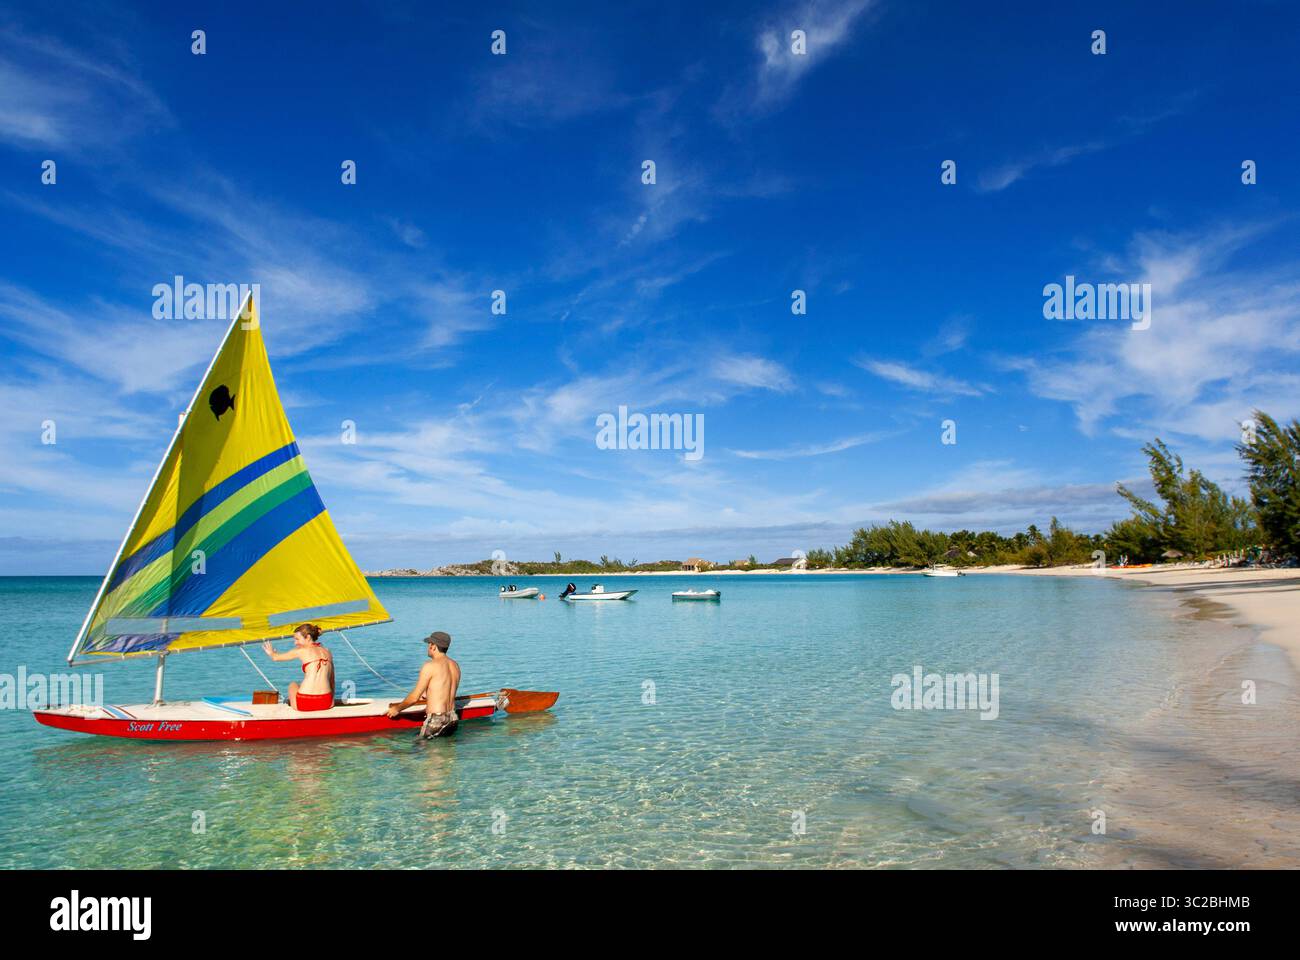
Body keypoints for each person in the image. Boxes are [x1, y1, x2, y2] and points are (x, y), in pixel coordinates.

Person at [385, 631, 462, 738]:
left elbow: (414, 698)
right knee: (447, 753)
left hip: (436, 720)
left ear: (433, 646)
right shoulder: (455, 665)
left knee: (420, 750)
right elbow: (445, 687)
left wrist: (397, 709)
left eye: (429, 644)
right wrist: (428, 693)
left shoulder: (429, 666)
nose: (428, 647)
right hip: (453, 718)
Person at [262, 623, 334, 711]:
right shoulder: (327, 651)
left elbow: (276, 658)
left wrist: (271, 653)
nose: (295, 642)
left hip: (304, 703)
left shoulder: (301, 651)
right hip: (326, 702)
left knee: (293, 685)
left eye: (297, 639)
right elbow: (332, 680)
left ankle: (292, 704)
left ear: (308, 637)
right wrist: (331, 701)